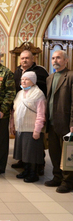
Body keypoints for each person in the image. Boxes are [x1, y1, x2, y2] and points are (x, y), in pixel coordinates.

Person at [12, 50, 49, 172]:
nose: (24, 60)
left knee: (35, 144)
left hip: (35, 109)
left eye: (27, 58)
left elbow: (46, 88)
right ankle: (24, 162)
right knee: (24, 143)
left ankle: (38, 166)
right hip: (22, 107)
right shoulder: (17, 71)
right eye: (22, 58)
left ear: (33, 59)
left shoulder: (40, 71)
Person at [45, 50, 73, 193]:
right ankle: (57, 176)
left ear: (66, 60)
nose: (55, 60)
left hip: (65, 122)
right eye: (53, 58)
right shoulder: (50, 78)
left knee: (67, 153)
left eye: (58, 58)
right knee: (54, 152)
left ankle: (67, 182)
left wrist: (72, 123)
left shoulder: (71, 76)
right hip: (51, 121)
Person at [10, 72, 46, 183]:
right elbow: (14, 110)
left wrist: (37, 130)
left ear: (33, 81)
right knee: (24, 152)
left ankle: (33, 173)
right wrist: (13, 124)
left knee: (32, 153)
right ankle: (26, 170)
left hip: (32, 129)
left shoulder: (38, 94)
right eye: (22, 79)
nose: (24, 81)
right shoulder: (20, 93)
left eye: (27, 79)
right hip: (21, 128)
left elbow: (41, 114)